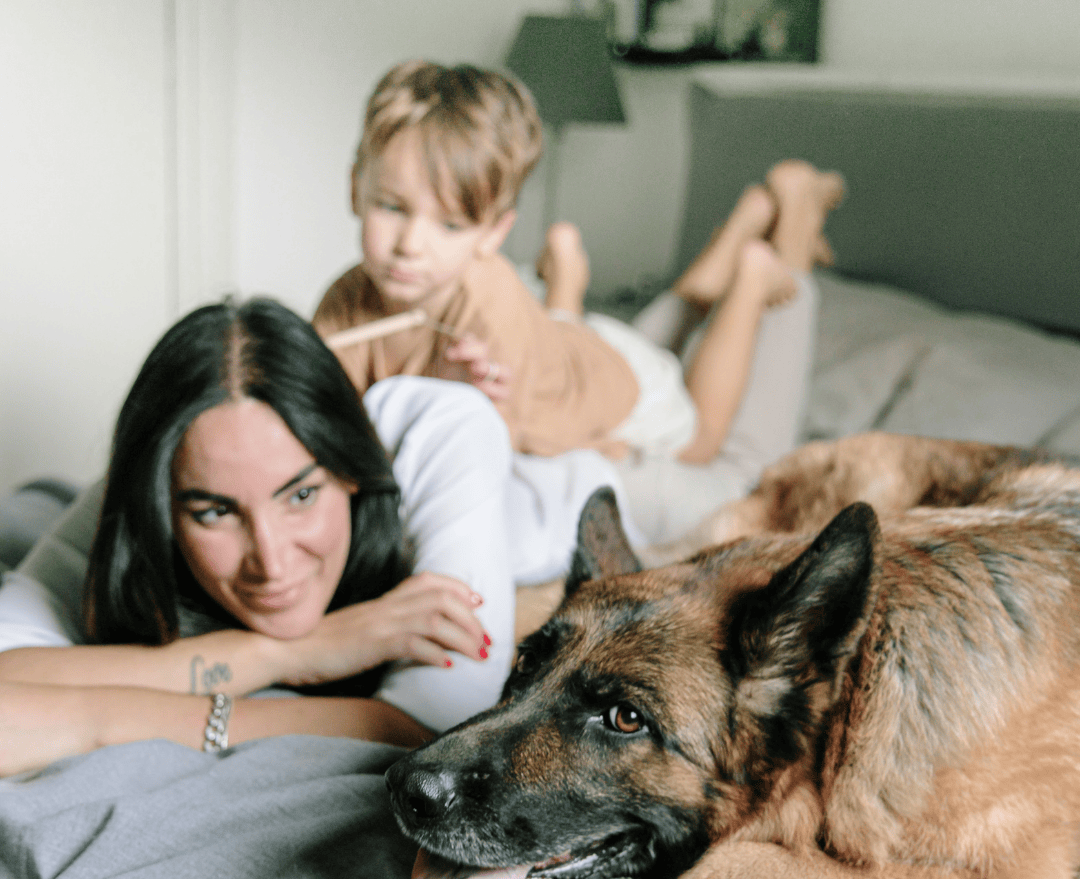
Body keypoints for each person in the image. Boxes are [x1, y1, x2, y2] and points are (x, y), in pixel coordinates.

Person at [0, 297, 628, 775]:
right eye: (215, 512)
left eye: (301, 495)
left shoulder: (439, 431)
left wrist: (110, 714)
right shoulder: (166, 471)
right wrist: (289, 653)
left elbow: (432, 724)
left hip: (580, 478)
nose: (271, 564)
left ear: (352, 469)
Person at [313, 60, 842, 475]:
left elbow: (492, 459)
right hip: (569, 345)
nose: (410, 244)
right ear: (355, 187)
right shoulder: (345, 300)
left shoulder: (488, 309)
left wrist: (602, 445)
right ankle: (742, 220)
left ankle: (759, 266)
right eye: (392, 207)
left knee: (701, 443)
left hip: (619, 385)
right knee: (608, 332)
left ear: (494, 234)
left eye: (450, 226)